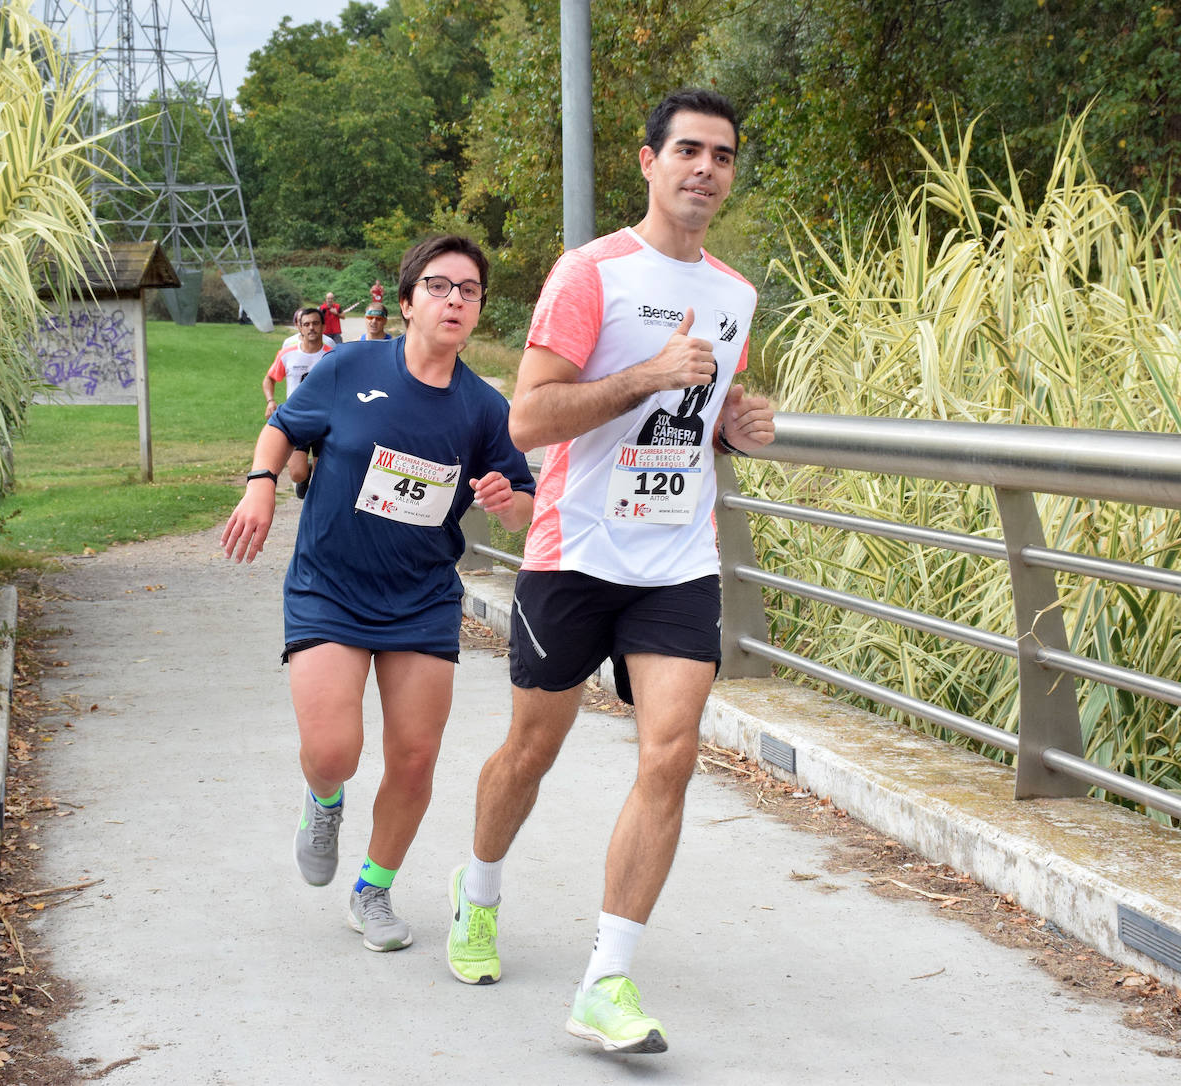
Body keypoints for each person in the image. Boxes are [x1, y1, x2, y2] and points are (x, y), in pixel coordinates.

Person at [445, 88, 776, 1054]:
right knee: (530, 753)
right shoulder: (590, 274)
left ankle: (607, 979)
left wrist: (735, 428)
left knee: (671, 751)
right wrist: (642, 376)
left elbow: (695, 416)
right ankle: (480, 890)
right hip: (576, 553)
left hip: (677, 559)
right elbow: (529, 420)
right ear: (647, 162)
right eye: (687, 151)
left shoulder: (734, 294)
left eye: (721, 155)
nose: (705, 169)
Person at [224, 235, 535, 954]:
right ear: (405, 303)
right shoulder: (349, 366)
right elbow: (282, 429)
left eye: (469, 290)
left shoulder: (484, 408)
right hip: (330, 586)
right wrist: (261, 486)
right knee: (334, 751)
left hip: (422, 594)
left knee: (416, 757)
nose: (455, 298)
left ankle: (373, 888)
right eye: (438, 285)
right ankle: (324, 800)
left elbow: (521, 501)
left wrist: (504, 498)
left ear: (479, 311)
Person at [263, 307, 334, 498]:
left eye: (315, 323)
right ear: (299, 328)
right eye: (307, 324)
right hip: (297, 420)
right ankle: (304, 474)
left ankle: (316, 507)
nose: (311, 328)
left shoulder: (333, 355)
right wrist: (271, 401)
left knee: (323, 478)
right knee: (297, 473)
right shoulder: (287, 354)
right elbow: (269, 379)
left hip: (325, 420)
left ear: (323, 326)